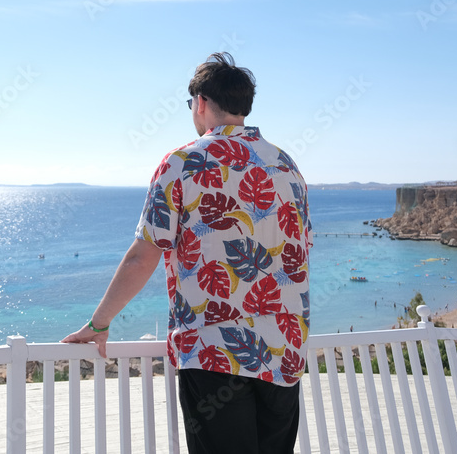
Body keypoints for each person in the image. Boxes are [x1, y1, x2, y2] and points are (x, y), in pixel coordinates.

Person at [63, 53, 312, 454]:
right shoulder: (287, 167)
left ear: (200, 102)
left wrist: (99, 322)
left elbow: (142, 256)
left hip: (213, 351)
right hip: (285, 352)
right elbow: (298, 252)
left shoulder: (183, 163)